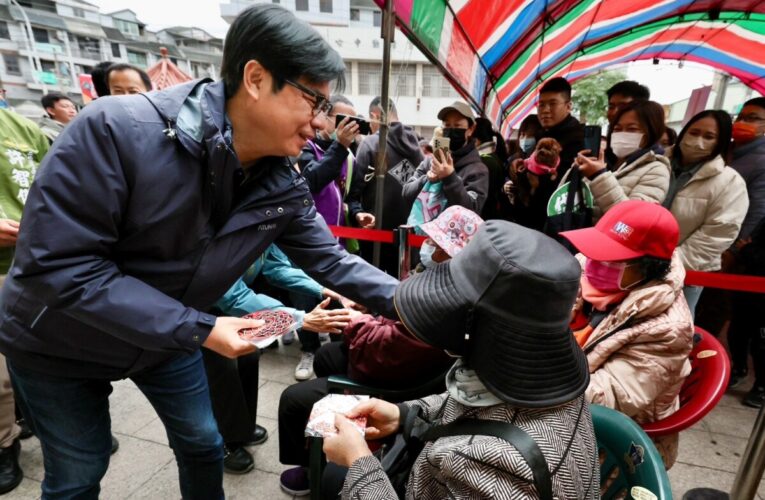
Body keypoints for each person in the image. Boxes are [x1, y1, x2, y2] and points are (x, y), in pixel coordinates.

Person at [0, 5, 399, 499]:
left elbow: (333, 261)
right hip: (58, 342)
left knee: (204, 443)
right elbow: (60, 270)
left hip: (167, 337)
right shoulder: (116, 131)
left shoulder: (280, 177)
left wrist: (426, 307)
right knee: (81, 469)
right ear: (255, 78)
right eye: (314, 102)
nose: (322, 124)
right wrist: (203, 327)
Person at [321, 220, 599, 499]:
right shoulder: (543, 383)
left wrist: (360, 463)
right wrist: (405, 414)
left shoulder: (497, 468)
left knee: (337, 475)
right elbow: (478, 407)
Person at [277, 205, 479, 497]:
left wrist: (355, 322)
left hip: (395, 381)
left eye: (435, 243)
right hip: (394, 360)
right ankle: (323, 433)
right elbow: (397, 313)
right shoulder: (443, 283)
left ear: (450, 254)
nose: (427, 245)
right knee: (325, 356)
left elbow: (385, 351)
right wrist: (371, 309)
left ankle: (310, 470)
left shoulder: (441, 305)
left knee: (293, 399)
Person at [561, 200, 694, 468]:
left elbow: (607, 397)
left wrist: (529, 368)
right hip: (566, 410)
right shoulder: (591, 275)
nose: (594, 263)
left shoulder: (668, 330)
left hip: (615, 447)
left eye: (611, 259)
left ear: (648, 268)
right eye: (595, 251)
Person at [206, 243, 353, 474]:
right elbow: (233, 296)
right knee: (222, 370)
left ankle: (241, 429)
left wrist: (322, 290)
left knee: (249, 357)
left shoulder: (267, 224)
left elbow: (277, 268)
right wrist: (298, 319)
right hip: (204, 309)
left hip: (236, 304)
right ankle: (223, 443)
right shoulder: (225, 229)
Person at [0, 108, 49, 494]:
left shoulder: (24, 128)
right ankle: (5, 444)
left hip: (35, 262)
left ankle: (51, 427)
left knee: (41, 358)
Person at [662, 110, 748, 315]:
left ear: (721, 142)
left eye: (708, 136)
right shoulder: (657, 165)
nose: (697, 140)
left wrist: (668, 266)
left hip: (686, 273)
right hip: (636, 267)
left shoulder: (730, 182)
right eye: (694, 132)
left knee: (672, 330)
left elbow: (717, 235)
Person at [349, 97, 423, 275]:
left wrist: (357, 212)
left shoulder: (371, 144)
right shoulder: (417, 148)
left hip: (375, 236)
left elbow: (355, 191)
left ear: (375, 115)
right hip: (408, 237)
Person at [568, 100, 670, 220]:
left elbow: (631, 220)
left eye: (632, 129)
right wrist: (576, 169)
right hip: (578, 234)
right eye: (617, 129)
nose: (622, 134)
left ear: (651, 132)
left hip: (604, 238)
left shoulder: (657, 170)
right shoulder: (606, 160)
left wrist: (598, 176)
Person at [724, 97, 765, 397]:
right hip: (728, 250)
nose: (743, 122)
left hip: (740, 255)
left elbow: (757, 212)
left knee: (749, 322)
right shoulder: (731, 152)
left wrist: (736, 249)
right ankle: (734, 367)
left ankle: (748, 378)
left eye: (753, 118)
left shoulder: (762, 160)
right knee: (738, 320)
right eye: (742, 115)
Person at [402, 101, 489, 215]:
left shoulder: (478, 170)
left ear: (470, 129)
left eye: (457, 126)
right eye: (447, 125)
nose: (451, 130)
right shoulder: (432, 161)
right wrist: (426, 179)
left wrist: (449, 177)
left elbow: (471, 211)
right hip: (423, 231)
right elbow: (406, 193)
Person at [536, 77, 584, 179]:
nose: (545, 110)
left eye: (552, 104)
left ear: (568, 106)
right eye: (541, 104)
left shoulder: (578, 139)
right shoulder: (541, 135)